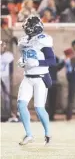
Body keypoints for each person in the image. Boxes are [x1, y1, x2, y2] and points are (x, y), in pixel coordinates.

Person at [17, 16, 56, 145]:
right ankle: (29, 134)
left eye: (30, 26)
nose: (27, 29)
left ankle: (48, 134)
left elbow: (52, 60)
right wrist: (22, 61)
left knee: (39, 108)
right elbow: (26, 56)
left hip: (40, 78)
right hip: (27, 77)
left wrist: (37, 63)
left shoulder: (43, 40)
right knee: (21, 105)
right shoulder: (24, 41)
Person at [47, 56, 65, 121]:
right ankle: (48, 116)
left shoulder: (54, 59)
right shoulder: (44, 59)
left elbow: (60, 65)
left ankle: (51, 116)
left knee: (52, 101)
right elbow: (61, 64)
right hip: (48, 83)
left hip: (52, 83)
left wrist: (63, 61)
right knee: (48, 101)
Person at [1, 40, 14, 121]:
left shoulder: (8, 55)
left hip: (5, 76)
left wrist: (11, 77)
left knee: (6, 96)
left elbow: (11, 67)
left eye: (2, 46)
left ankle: (7, 114)